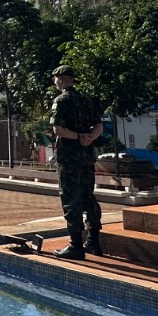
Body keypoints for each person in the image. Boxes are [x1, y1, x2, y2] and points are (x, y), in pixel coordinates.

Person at [50, 64, 103, 260]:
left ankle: (75, 245)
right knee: (88, 196)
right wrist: (89, 137)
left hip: (69, 157)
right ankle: (93, 241)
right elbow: (98, 126)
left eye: (55, 78)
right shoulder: (86, 100)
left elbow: (58, 129)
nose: (55, 81)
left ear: (63, 78)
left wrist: (79, 136)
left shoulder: (61, 100)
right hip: (86, 156)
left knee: (70, 199)